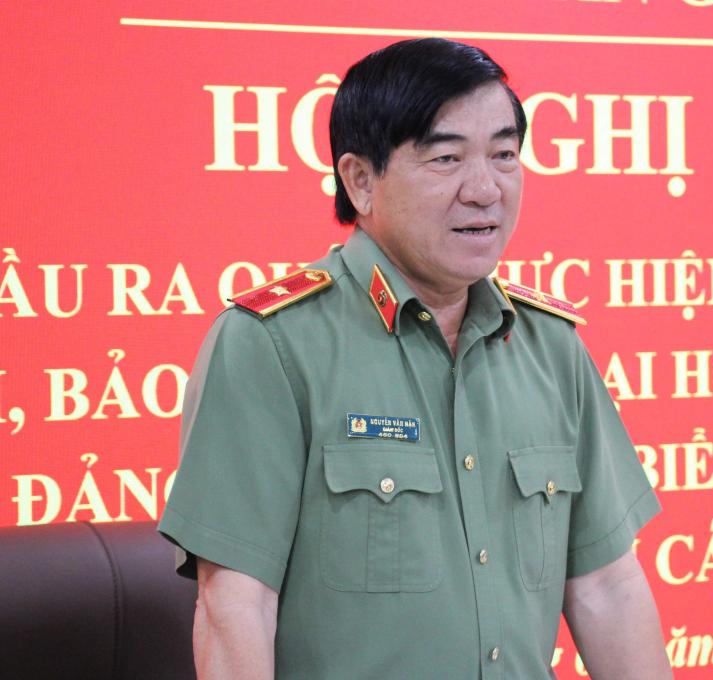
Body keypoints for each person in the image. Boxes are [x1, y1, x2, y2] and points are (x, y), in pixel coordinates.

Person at [159, 38, 673, 680]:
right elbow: (236, 605)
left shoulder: (551, 346)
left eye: (504, 155)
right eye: (446, 158)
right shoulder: (271, 344)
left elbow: (607, 587)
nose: (484, 189)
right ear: (360, 180)